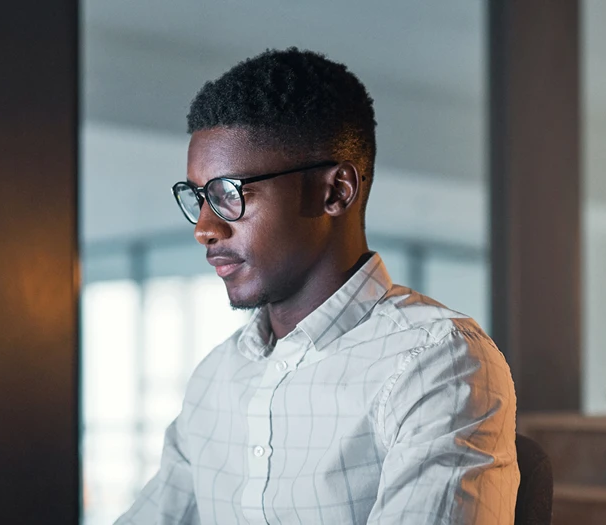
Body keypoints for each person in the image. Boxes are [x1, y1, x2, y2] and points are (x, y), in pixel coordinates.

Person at [117, 48, 517, 525]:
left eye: (229, 194)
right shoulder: (216, 377)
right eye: (199, 197)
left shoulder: (438, 363)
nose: (204, 227)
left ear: (334, 191)